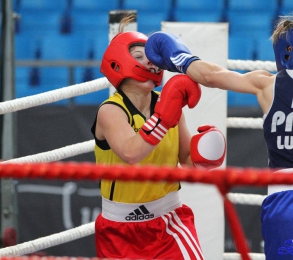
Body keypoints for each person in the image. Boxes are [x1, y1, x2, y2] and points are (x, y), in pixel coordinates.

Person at [144, 12, 293, 258]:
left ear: (288, 47)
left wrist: (177, 54)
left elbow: (210, 76)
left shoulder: (267, 84)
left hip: (283, 202)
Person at [91, 15, 226, 259]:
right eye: (139, 55)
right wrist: (164, 118)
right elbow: (131, 153)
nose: (150, 62)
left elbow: (186, 162)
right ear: (118, 62)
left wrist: (205, 154)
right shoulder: (110, 111)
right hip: (118, 231)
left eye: (151, 55)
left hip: (168, 223)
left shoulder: (168, 105)